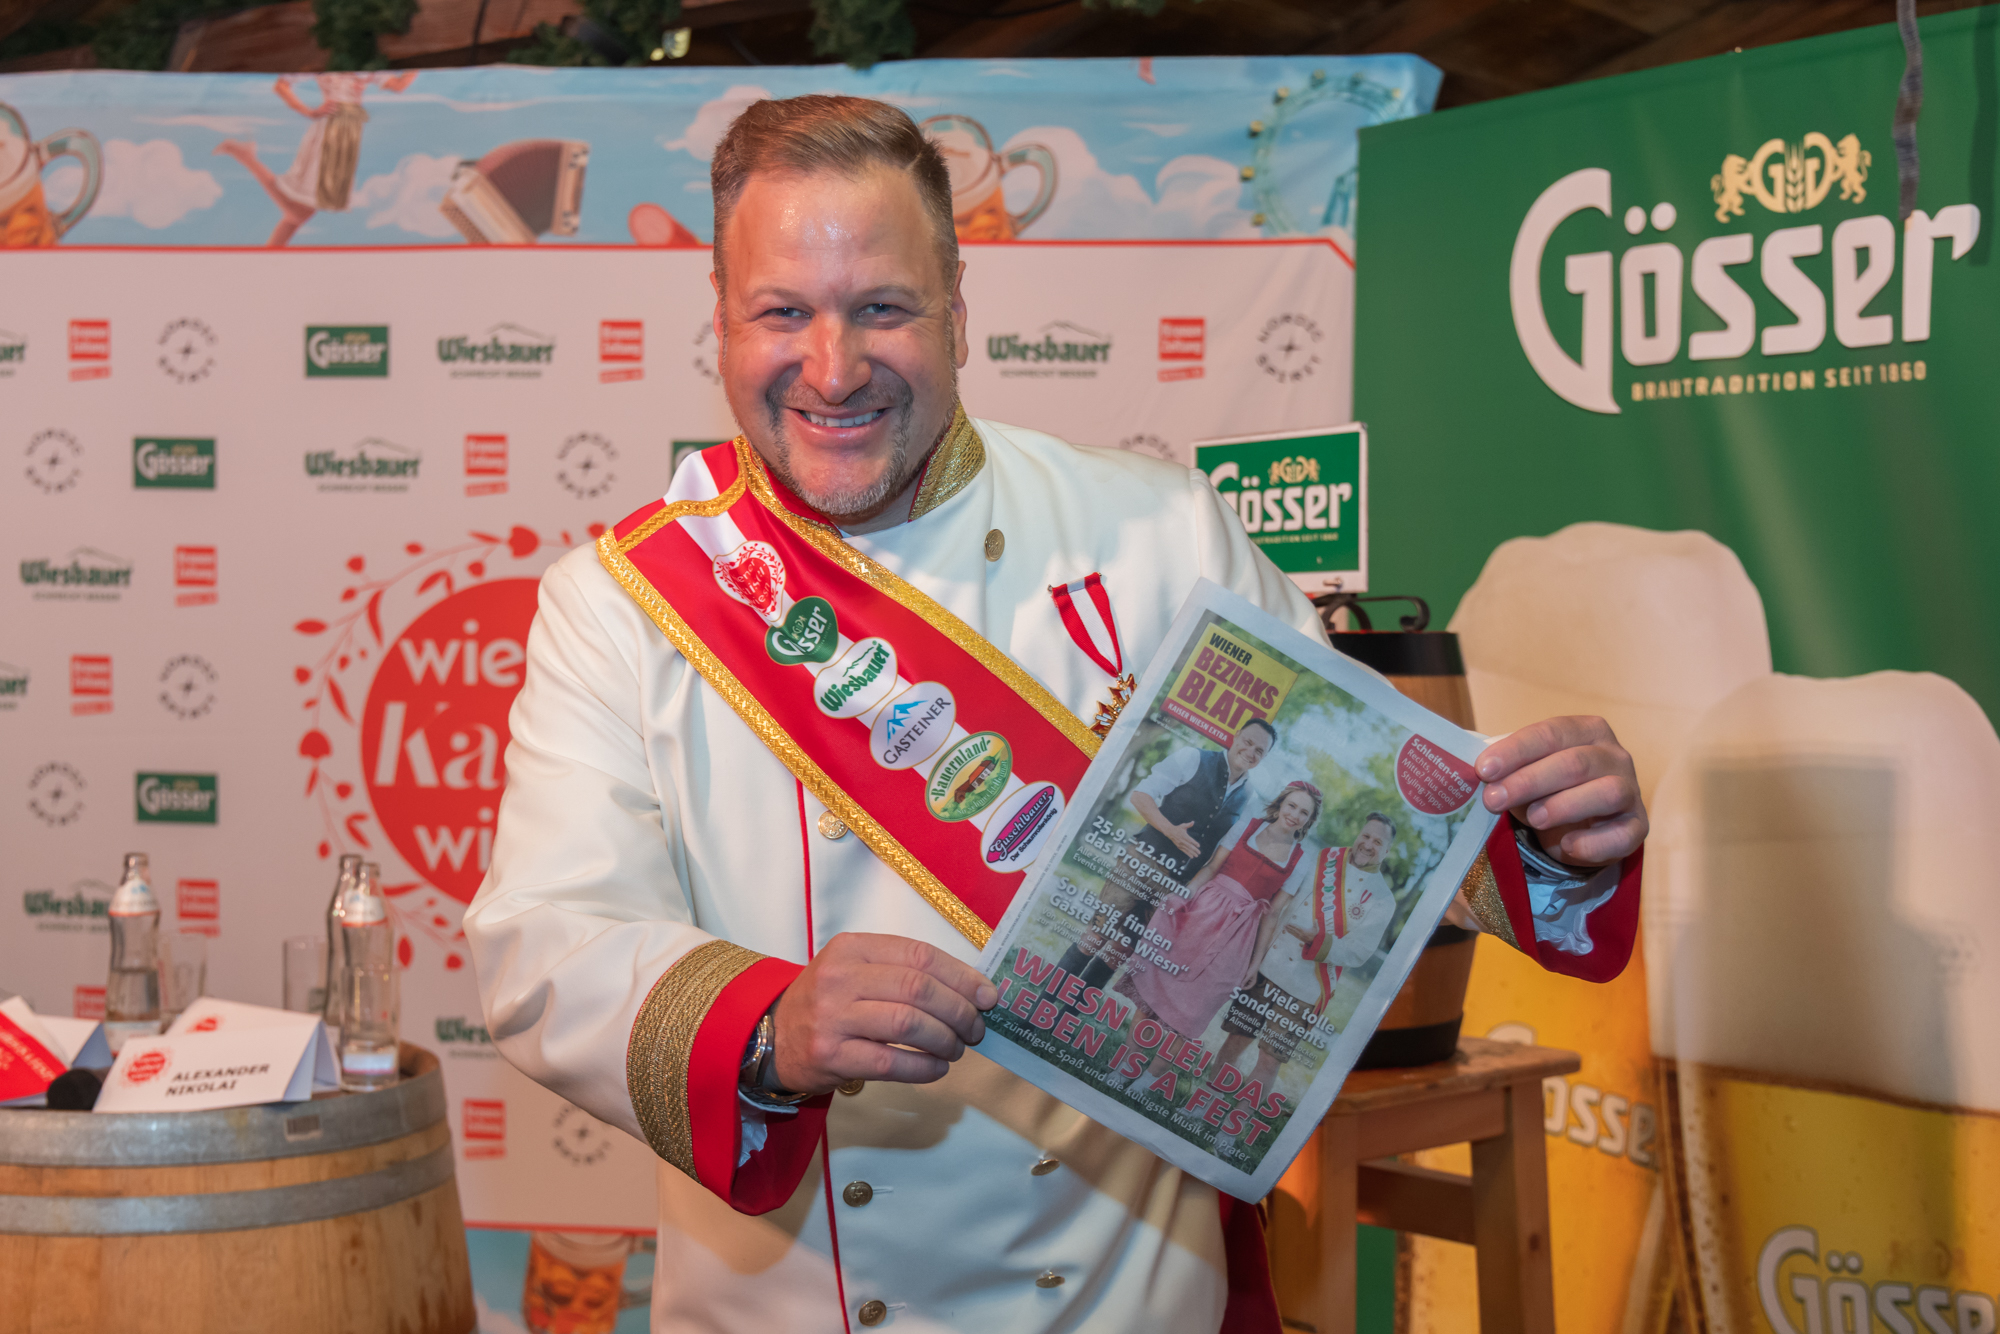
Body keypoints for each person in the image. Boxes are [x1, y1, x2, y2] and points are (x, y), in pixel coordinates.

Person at [464, 94, 1650, 1334]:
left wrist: (1541, 835)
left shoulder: (1157, 532)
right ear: (718, 322)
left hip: (1120, 1296)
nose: (831, 365)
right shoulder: (616, 603)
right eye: (782, 311)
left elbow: (1344, 839)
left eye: (881, 307)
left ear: (958, 313)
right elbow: (546, 945)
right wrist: (768, 1021)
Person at [1115, 781, 1322, 1093]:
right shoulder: (1246, 827)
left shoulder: (1300, 859)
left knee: (1192, 1011)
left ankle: (1149, 1078)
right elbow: (1212, 868)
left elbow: (1272, 914)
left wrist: (1255, 962)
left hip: (1238, 936)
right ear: (1280, 804)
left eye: (1304, 812)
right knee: (1153, 990)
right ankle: (1125, 1065)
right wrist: (1182, 897)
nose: (1295, 814)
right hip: (1201, 912)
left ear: (1309, 820)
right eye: (1291, 805)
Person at [1054, 718, 1275, 997]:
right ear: (1236, 735)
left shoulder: (1249, 796)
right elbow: (1140, 795)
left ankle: (1069, 1011)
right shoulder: (1193, 758)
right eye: (1248, 741)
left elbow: (1225, 848)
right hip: (1142, 861)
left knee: (1123, 948)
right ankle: (1043, 1003)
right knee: (1096, 936)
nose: (1251, 751)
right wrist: (1171, 831)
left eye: (1260, 751)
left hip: (1177, 882)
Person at [1211, 812, 1398, 1119]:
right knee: (1235, 1040)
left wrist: (1320, 940)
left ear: (1387, 851)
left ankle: (1235, 1122)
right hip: (1268, 968)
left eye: (1377, 842)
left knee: (1269, 1060)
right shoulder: (1323, 858)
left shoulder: (1382, 899)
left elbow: (1360, 952)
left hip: (1306, 987)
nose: (1367, 845)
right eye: (1365, 836)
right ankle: (1208, 1102)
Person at [215, 72, 415, 247]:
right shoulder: (325, 64)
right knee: (301, 211)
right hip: (330, 132)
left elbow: (399, 86)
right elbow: (281, 85)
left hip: (349, 133)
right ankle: (245, 156)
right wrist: (309, 111)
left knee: (300, 214)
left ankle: (270, 254)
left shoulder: (366, 68)